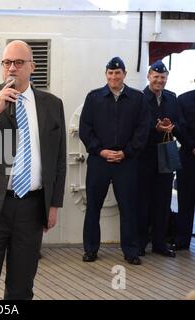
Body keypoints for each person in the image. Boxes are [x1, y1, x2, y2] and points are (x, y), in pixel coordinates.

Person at [0, 40, 66, 300]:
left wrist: (53, 205)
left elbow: (58, 159)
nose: (12, 68)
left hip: (31, 208)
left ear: (32, 66)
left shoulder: (52, 104)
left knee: (22, 286)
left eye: (18, 63)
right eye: (7, 63)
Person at [79, 57, 149, 265]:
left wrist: (127, 152)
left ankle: (131, 251)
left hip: (126, 162)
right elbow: (85, 129)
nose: (114, 77)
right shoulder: (94, 98)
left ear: (124, 74)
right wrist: (101, 151)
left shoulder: (137, 99)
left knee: (128, 208)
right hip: (100, 161)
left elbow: (142, 129)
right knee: (93, 206)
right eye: (110, 73)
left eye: (117, 73)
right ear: (106, 74)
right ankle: (90, 249)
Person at [137, 61, 184, 257]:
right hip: (145, 155)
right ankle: (139, 244)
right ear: (149, 77)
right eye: (156, 77)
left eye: (163, 77)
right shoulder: (139, 98)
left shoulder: (172, 99)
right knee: (142, 201)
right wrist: (154, 129)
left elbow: (179, 122)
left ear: (167, 78)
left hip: (165, 154)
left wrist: (171, 127)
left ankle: (159, 243)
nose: (159, 80)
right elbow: (136, 126)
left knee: (163, 201)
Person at [174, 87, 195, 251]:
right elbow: (179, 126)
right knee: (185, 200)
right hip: (188, 156)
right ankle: (182, 241)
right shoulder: (182, 99)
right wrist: (192, 146)